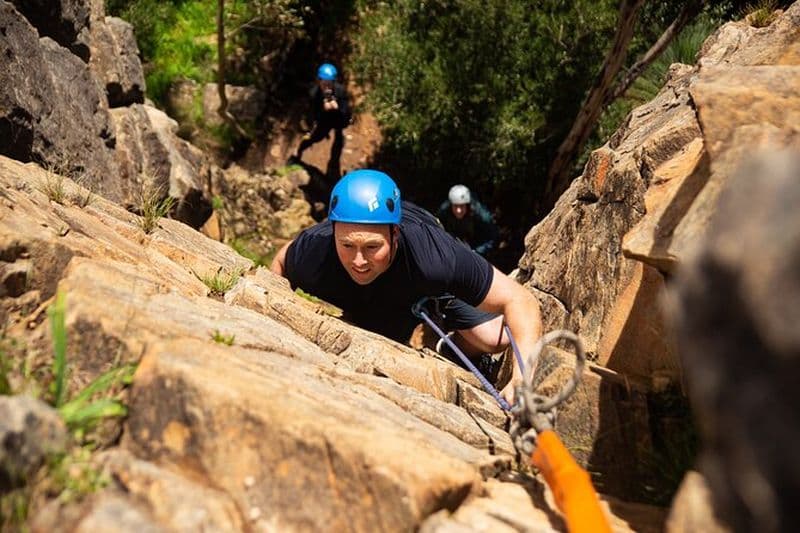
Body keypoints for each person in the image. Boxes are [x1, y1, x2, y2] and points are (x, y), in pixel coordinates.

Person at [271, 169, 542, 405]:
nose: (358, 260)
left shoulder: (433, 257)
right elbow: (281, 263)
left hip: (424, 282)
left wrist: (522, 375)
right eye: (347, 245)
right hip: (378, 298)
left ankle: (446, 335)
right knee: (381, 339)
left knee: (495, 339)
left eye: (372, 247)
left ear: (395, 235)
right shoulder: (315, 252)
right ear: (334, 233)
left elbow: (520, 300)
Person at [292, 63, 352, 178]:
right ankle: (299, 149)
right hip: (324, 121)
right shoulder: (314, 94)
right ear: (319, 81)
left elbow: (347, 112)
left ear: (334, 82)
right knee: (315, 137)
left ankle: (333, 164)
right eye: (324, 84)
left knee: (338, 140)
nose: (327, 88)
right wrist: (322, 110)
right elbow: (312, 113)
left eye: (330, 84)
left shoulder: (340, 91)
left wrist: (337, 108)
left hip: (338, 119)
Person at [436, 184, 499, 258]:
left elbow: (493, 237)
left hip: (476, 244)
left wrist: (477, 252)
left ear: (467, 205)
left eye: (462, 206)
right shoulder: (444, 211)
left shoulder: (482, 216)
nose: (458, 210)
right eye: (455, 206)